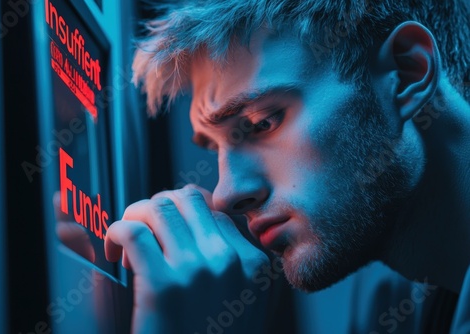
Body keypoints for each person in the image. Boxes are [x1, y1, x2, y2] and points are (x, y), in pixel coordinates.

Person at [104, 0, 470, 332]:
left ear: (407, 72)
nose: (225, 194)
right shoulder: (393, 305)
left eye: (263, 122)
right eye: (213, 147)